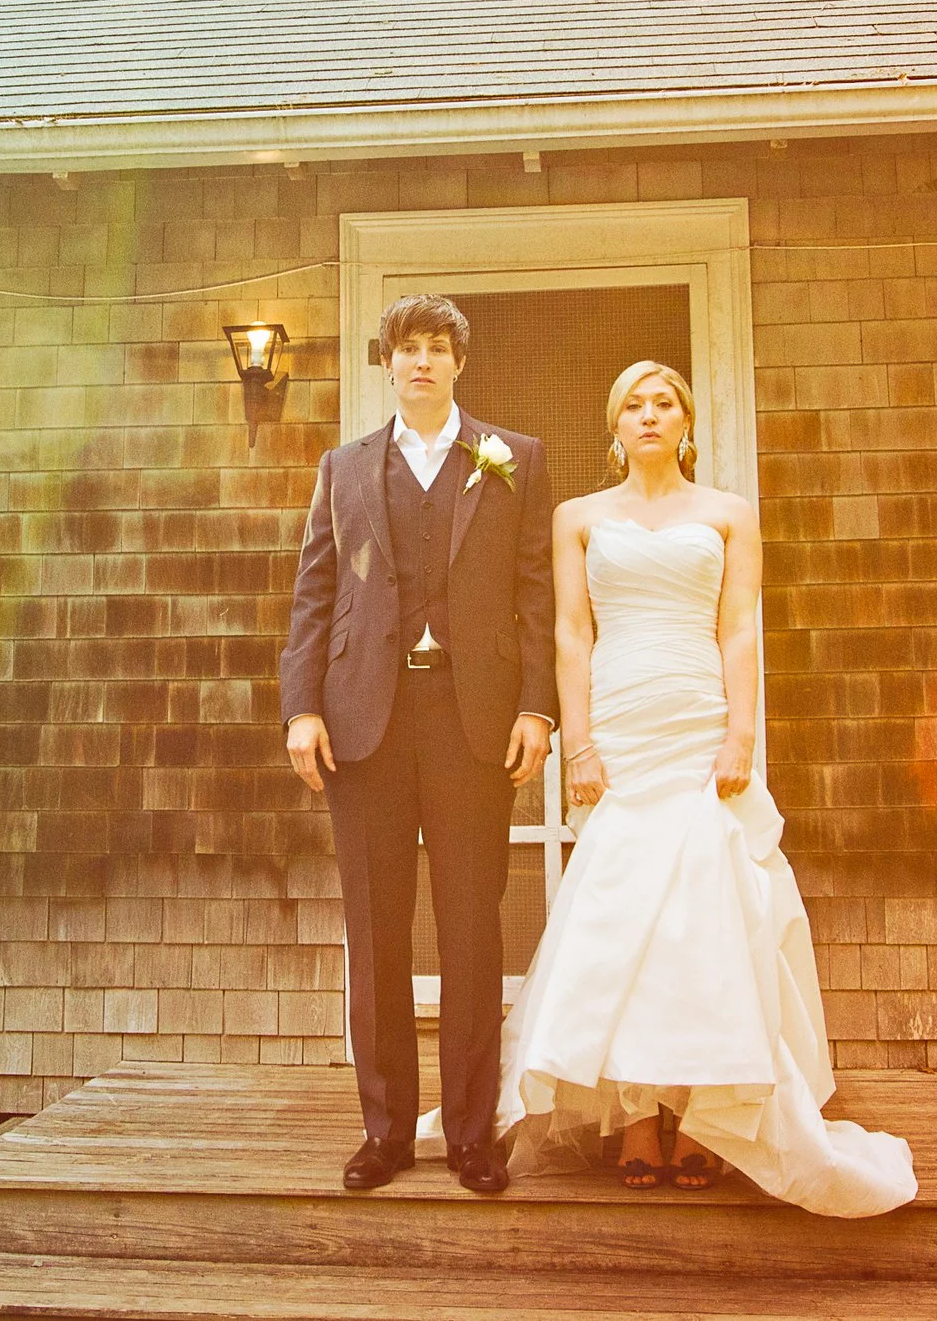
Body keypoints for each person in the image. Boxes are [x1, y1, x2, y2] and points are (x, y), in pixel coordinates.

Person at [486, 359, 918, 1213]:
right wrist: (580, 748)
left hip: (695, 722)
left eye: (665, 404)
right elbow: (572, 633)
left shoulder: (727, 515)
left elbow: (738, 630)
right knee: (624, 915)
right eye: (633, 406)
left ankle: (702, 1115)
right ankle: (638, 1115)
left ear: (686, 422)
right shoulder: (578, 517)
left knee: (701, 921)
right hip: (622, 723)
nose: (649, 416)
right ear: (614, 430)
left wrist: (740, 736)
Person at [278, 294, 557, 1196]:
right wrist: (302, 708)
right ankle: (386, 1132)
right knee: (377, 931)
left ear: (459, 364)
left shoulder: (515, 460)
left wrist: (536, 709)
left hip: (474, 723)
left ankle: (473, 1136)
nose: (424, 362)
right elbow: (315, 595)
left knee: (472, 932)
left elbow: (538, 593)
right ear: (388, 364)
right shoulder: (345, 467)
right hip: (367, 723)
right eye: (409, 348)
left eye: (439, 348)